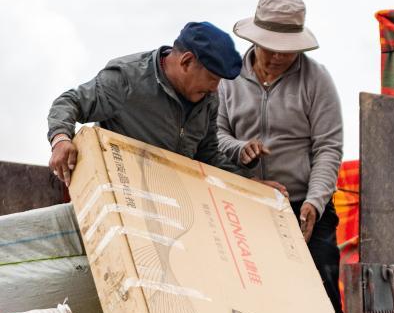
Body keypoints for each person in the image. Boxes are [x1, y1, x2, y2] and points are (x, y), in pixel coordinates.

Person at [217, 0, 345, 313]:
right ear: (254, 40)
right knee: (250, 298)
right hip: (243, 204)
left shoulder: (317, 80)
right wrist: (239, 149)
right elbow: (214, 134)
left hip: (304, 207)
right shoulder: (228, 78)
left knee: (322, 298)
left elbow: (328, 147)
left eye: (286, 51)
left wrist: (315, 202)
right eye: (269, 48)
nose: (276, 57)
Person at [47, 21, 284, 191]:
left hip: (174, 201)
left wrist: (249, 184)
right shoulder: (127, 78)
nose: (216, 88)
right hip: (119, 191)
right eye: (213, 78)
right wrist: (60, 138)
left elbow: (209, 155)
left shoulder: (208, 99)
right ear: (186, 61)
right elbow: (70, 102)